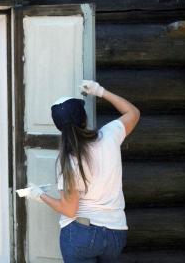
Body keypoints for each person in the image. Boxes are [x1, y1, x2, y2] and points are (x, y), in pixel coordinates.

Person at [19, 80, 140, 262]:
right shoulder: (110, 135)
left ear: (59, 127)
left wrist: (39, 195)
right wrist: (100, 91)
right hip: (115, 233)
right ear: (84, 119)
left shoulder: (68, 160)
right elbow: (133, 113)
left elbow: (69, 210)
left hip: (80, 235)